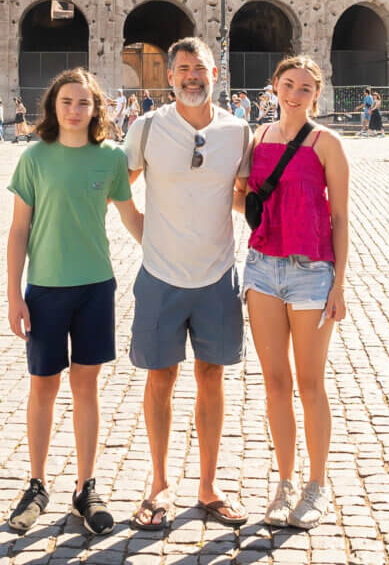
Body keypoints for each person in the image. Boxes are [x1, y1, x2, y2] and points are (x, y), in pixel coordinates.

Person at [4, 69, 142, 536]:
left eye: (84, 102)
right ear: (53, 106)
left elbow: (131, 219)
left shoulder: (111, 159)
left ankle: (87, 487)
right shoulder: (34, 158)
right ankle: (36, 484)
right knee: (43, 387)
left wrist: (173, 255)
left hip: (95, 287)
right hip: (44, 289)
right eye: (67, 101)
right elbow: (19, 230)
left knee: (87, 388)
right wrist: (13, 295)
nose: (74, 109)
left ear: (96, 108)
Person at [123, 38, 251, 532]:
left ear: (215, 72)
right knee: (161, 379)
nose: (191, 76)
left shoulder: (237, 131)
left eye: (200, 68)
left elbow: (239, 197)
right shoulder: (148, 127)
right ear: (170, 76)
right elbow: (122, 187)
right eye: (182, 69)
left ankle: (208, 486)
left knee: (211, 380)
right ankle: (158, 485)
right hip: (160, 277)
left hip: (218, 275)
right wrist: (144, 236)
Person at [234, 56, 349, 529]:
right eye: (288, 85)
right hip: (262, 268)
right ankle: (284, 483)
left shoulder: (328, 144)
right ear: (274, 87)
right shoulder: (257, 139)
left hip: (311, 271)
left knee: (310, 384)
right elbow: (243, 196)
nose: (295, 94)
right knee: (275, 383)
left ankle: (316, 484)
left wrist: (339, 283)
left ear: (316, 95)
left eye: (305, 88)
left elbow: (340, 217)